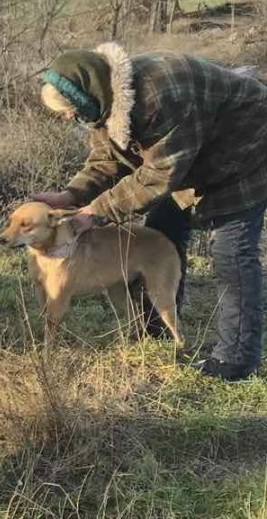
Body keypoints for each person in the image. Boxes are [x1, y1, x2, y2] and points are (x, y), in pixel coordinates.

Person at [33, 42, 267, 381]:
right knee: (160, 232)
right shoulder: (104, 102)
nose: (68, 117)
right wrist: (69, 194)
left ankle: (235, 361)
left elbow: (156, 177)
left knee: (231, 251)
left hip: (248, 150)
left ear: (85, 97)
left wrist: (94, 213)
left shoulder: (160, 95)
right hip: (193, 156)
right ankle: (157, 327)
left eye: (68, 110)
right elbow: (106, 161)